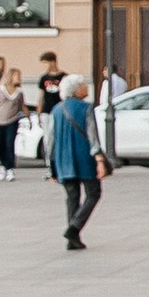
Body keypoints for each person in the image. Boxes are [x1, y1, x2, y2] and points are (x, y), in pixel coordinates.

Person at [50, 78, 103, 250]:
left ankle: (73, 238)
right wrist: (99, 157)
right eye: (84, 85)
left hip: (63, 159)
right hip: (83, 157)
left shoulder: (56, 109)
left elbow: (49, 140)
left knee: (72, 197)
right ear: (77, 90)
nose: (87, 87)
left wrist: (51, 166)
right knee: (94, 193)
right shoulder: (86, 108)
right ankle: (74, 229)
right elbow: (92, 135)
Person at [0, 63, 25, 183]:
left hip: (12, 122)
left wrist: (30, 116)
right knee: (0, 146)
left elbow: (22, 106)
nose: (18, 78)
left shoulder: (19, 92)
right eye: (16, 76)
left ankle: (10, 168)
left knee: (10, 144)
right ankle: (2, 165)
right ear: (11, 76)